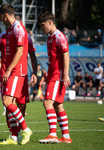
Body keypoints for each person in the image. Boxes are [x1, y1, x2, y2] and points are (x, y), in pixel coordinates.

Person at [0, 4, 34, 145]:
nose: (0, 20)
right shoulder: (9, 30)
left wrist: (8, 70)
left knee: (8, 102)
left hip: (16, 72)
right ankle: (14, 137)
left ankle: (25, 129)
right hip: (9, 73)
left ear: (5, 15)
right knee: (10, 106)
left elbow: (20, 52)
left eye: (0, 17)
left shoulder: (18, 29)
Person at [37, 11, 72, 144]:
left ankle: (52, 134)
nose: (41, 28)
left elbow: (66, 54)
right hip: (53, 75)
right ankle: (66, 137)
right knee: (58, 105)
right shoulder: (50, 37)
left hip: (58, 75)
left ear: (50, 22)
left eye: (42, 25)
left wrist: (65, 74)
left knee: (47, 103)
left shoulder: (59, 36)